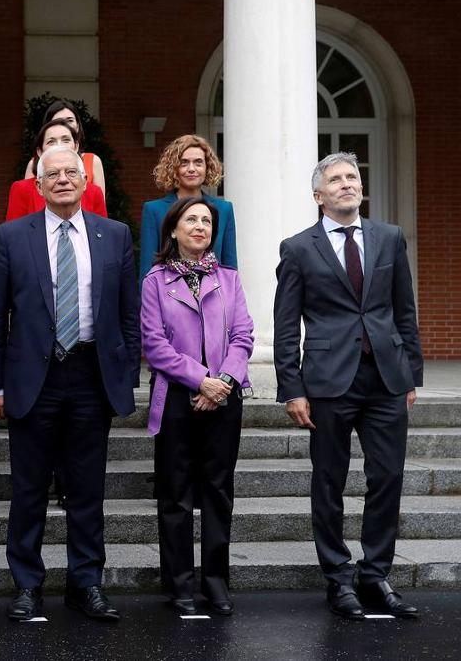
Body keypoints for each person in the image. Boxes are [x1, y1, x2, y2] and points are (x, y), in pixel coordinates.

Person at [0, 145, 139, 623]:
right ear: (39, 184)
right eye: (54, 174)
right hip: (34, 377)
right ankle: (27, 585)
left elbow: (129, 315)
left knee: (88, 489)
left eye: (73, 172)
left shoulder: (115, 236)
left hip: (92, 376)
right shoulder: (12, 236)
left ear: (86, 182)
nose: (64, 180)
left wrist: (126, 374)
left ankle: (86, 583)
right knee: (28, 488)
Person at [273, 152, 423, 620]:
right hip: (327, 382)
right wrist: (291, 387)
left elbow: (404, 310)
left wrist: (411, 375)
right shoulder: (298, 248)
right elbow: (284, 324)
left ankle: (376, 575)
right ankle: (338, 579)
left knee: (388, 477)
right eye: (335, 180)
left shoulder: (390, 238)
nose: (346, 184)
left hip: (385, 378)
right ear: (318, 195)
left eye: (352, 177)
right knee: (329, 481)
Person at [141, 196, 254, 616]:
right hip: (176, 397)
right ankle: (180, 585)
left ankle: (216, 582)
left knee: (218, 492)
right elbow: (154, 344)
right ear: (173, 229)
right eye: (191, 219)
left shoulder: (229, 279)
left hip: (224, 397)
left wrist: (222, 381)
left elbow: (243, 335)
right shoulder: (155, 281)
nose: (200, 227)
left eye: (207, 221)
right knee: (175, 495)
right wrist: (200, 379)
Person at [139, 134, 236, 281]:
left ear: (207, 166)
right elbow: (147, 270)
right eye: (184, 163)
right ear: (174, 168)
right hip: (168, 299)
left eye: (198, 162)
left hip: (215, 297)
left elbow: (230, 267)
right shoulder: (154, 210)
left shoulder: (224, 209)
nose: (191, 169)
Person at [6, 118, 107, 221]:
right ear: (40, 151)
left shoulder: (94, 192)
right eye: (51, 141)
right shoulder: (21, 189)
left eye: (66, 140)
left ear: (76, 146)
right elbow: (14, 233)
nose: (59, 145)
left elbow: (101, 231)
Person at [23, 100, 107, 194]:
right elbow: (27, 198)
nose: (65, 125)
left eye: (70, 120)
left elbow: (99, 204)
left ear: (78, 126)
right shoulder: (34, 163)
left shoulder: (93, 161)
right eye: (57, 121)